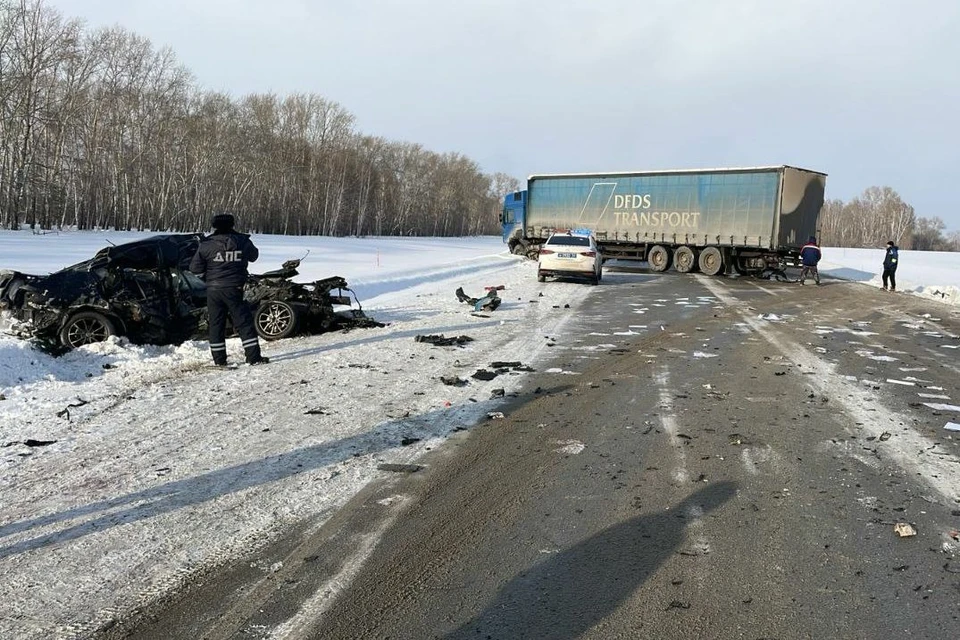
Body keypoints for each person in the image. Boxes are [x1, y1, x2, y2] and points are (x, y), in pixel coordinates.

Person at [189, 213, 269, 366]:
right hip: (234, 288)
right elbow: (254, 256)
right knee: (244, 323)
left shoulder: (206, 244)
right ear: (232, 224)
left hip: (213, 290)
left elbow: (194, 268)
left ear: (214, 226)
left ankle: (219, 361)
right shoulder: (242, 241)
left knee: (216, 324)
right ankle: (253, 357)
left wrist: (207, 276)